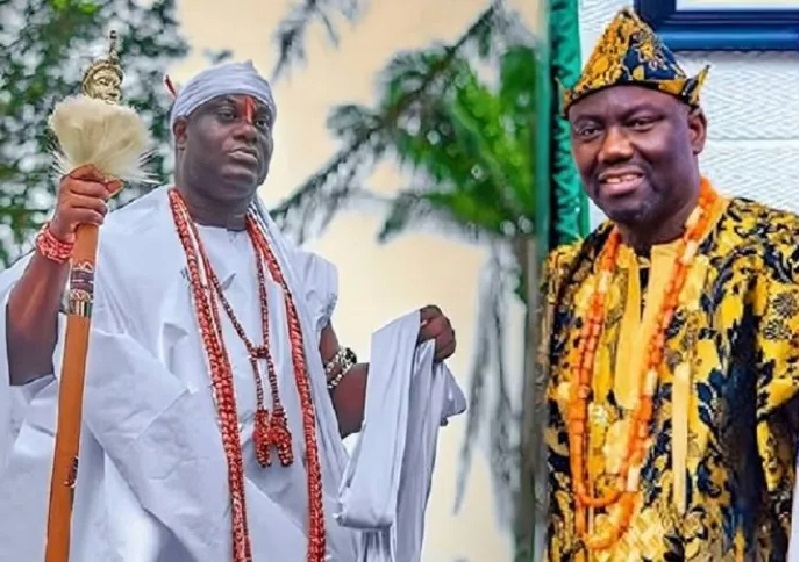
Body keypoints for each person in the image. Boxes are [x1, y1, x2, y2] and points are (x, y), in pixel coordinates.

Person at [0, 60, 457, 561]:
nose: (248, 130)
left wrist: (407, 359)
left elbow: (331, 407)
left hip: (291, 538)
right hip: (162, 539)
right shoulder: (112, 247)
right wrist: (58, 239)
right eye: (227, 115)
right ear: (181, 132)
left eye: (262, 121)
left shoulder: (298, 277)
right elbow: (23, 359)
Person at [540, 9, 799, 561]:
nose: (612, 148)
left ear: (695, 130)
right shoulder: (560, 282)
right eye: (589, 131)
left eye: (640, 123)